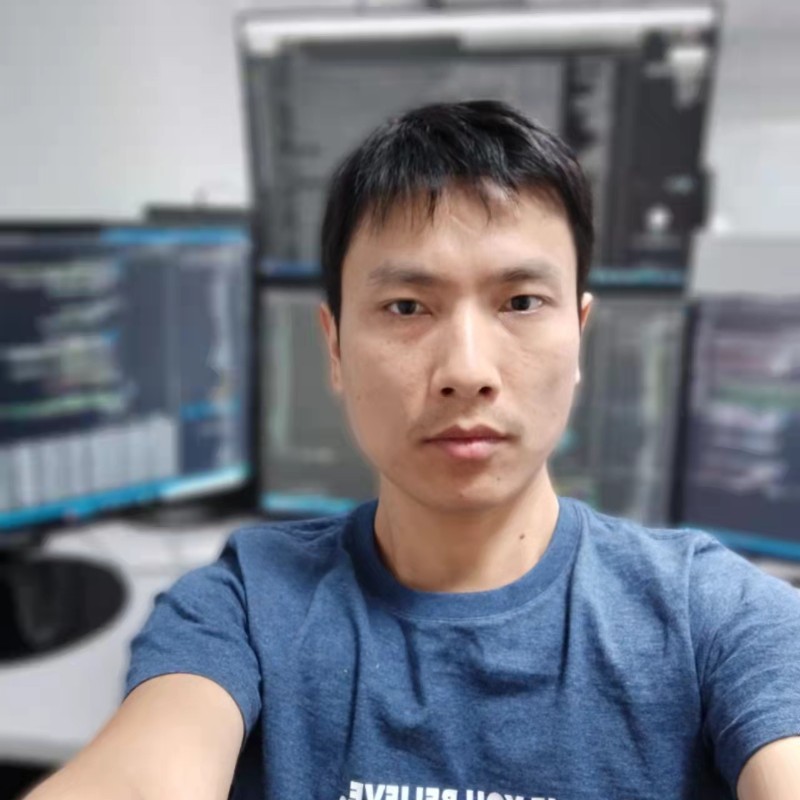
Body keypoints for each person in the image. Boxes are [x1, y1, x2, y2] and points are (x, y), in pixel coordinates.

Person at [26, 101, 800, 800]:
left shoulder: (717, 618)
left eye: (521, 302)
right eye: (406, 306)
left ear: (580, 335)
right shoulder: (244, 607)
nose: (466, 370)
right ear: (334, 347)